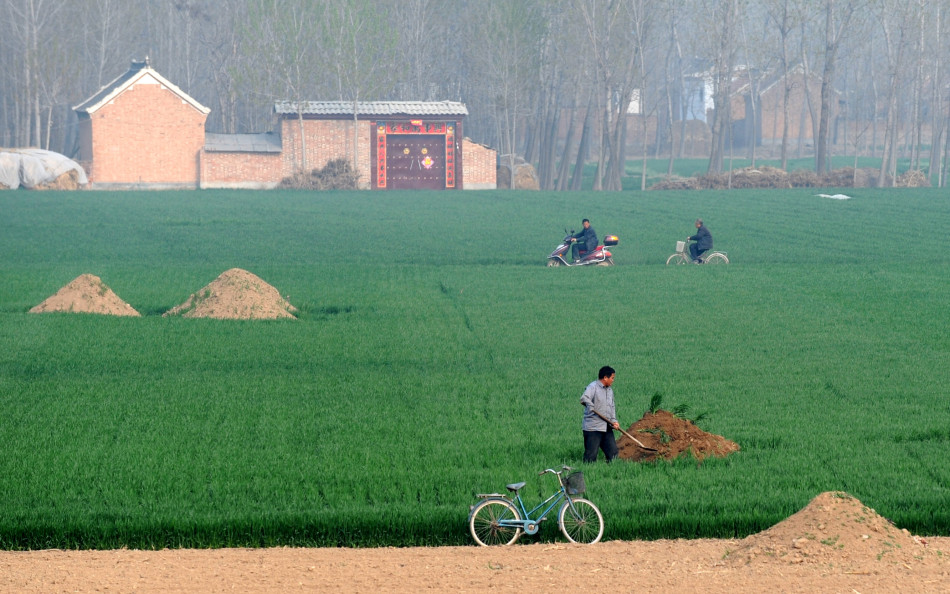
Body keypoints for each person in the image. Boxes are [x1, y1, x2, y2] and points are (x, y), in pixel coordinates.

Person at [580, 365, 620, 463]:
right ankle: (589, 473)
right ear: (605, 377)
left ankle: (613, 473)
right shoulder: (593, 387)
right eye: (612, 378)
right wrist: (591, 406)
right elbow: (584, 398)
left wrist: (614, 421)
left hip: (606, 427)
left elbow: (612, 407)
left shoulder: (610, 391)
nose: (613, 380)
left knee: (613, 454)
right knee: (591, 456)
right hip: (593, 427)